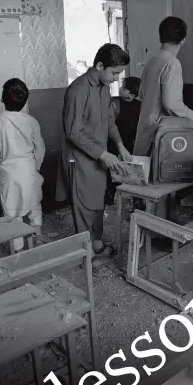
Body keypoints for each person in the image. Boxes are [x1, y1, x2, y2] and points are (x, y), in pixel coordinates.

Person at [55, 43, 133, 258]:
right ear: (100, 65)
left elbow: (110, 121)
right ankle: (86, 254)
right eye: (114, 73)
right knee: (84, 206)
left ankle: (96, 243)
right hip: (79, 158)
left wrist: (119, 145)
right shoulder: (78, 89)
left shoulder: (104, 88)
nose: (116, 78)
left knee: (97, 202)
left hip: (99, 156)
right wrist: (102, 154)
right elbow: (73, 132)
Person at [133, 16, 193, 249]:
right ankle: (157, 235)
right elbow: (172, 103)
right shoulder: (172, 64)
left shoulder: (151, 62)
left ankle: (146, 232)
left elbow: (141, 96)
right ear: (183, 39)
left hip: (145, 129)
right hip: (162, 135)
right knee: (163, 186)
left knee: (150, 186)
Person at [0, 78, 46, 252]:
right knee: (34, 205)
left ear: (2, 99)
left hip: (8, 173)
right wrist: (36, 167)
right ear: (25, 100)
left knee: (12, 212)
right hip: (28, 169)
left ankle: (19, 250)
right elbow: (40, 148)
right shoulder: (31, 121)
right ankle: (39, 238)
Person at [105, 76, 142, 206]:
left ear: (132, 94)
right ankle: (110, 194)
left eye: (124, 87)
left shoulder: (140, 106)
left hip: (130, 143)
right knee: (113, 170)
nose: (120, 89)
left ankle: (137, 200)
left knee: (134, 173)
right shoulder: (115, 103)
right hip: (116, 142)